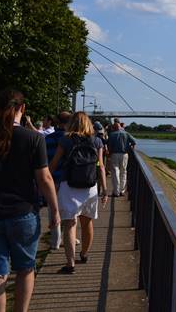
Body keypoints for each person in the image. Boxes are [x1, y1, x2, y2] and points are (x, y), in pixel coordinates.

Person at [0, 89, 60, 312]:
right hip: (23, 214)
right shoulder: (33, 138)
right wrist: (54, 210)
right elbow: (44, 179)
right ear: (22, 109)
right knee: (25, 269)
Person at [50, 112, 107, 274]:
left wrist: (48, 182)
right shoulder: (97, 141)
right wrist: (104, 190)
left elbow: (54, 164)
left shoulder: (66, 140)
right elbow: (101, 166)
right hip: (90, 187)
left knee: (69, 224)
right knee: (87, 223)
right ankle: (84, 253)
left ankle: (70, 264)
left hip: (69, 185)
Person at [44, 111, 71, 250]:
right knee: (68, 211)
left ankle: (55, 241)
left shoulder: (47, 139)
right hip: (68, 180)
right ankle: (69, 237)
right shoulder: (71, 139)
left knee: (52, 210)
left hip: (52, 178)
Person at [107, 122, 136, 197]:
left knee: (115, 172)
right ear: (120, 127)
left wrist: (109, 155)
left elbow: (109, 146)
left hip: (114, 154)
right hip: (124, 154)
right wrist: (131, 148)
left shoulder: (112, 135)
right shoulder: (126, 133)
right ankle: (122, 191)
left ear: (114, 128)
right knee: (123, 172)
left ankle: (116, 191)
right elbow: (134, 142)